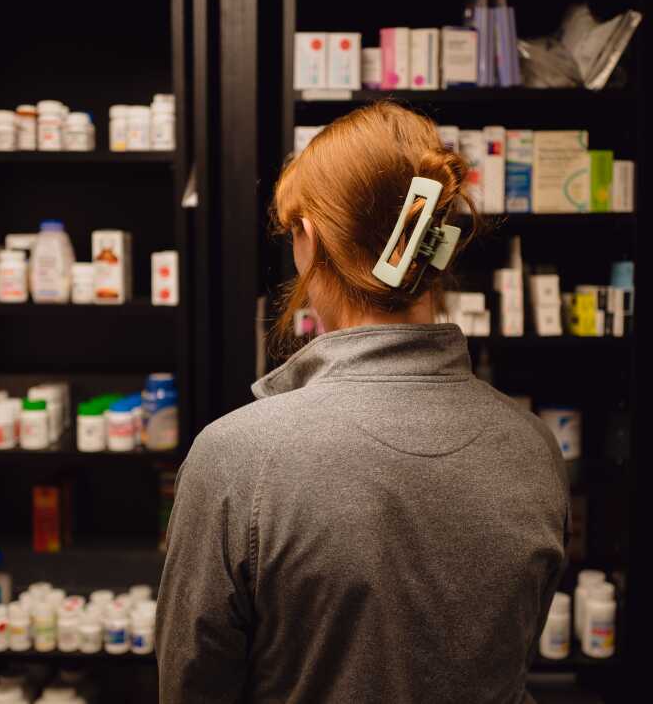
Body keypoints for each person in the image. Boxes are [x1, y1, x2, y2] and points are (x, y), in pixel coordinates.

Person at [157, 101, 569, 703]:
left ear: (310, 240)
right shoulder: (531, 446)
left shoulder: (237, 458)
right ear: (438, 246)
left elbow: (193, 688)